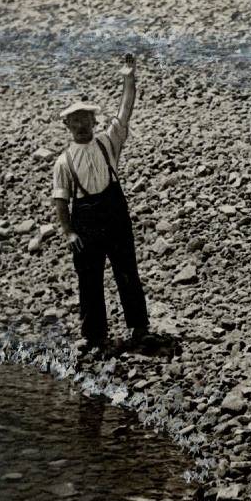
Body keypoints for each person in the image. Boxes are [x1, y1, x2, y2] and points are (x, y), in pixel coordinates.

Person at [51, 54, 149, 358]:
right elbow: (60, 200)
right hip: (85, 224)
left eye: (85, 119)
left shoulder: (108, 142)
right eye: (75, 121)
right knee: (89, 281)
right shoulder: (63, 162)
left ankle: (139, 328)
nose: (81, 125)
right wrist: (68, 232)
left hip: (115, 216)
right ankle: (94, 336)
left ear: (95, 121)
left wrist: (128, 78)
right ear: (67, 126)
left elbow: (125, 112)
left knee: (127, 273)